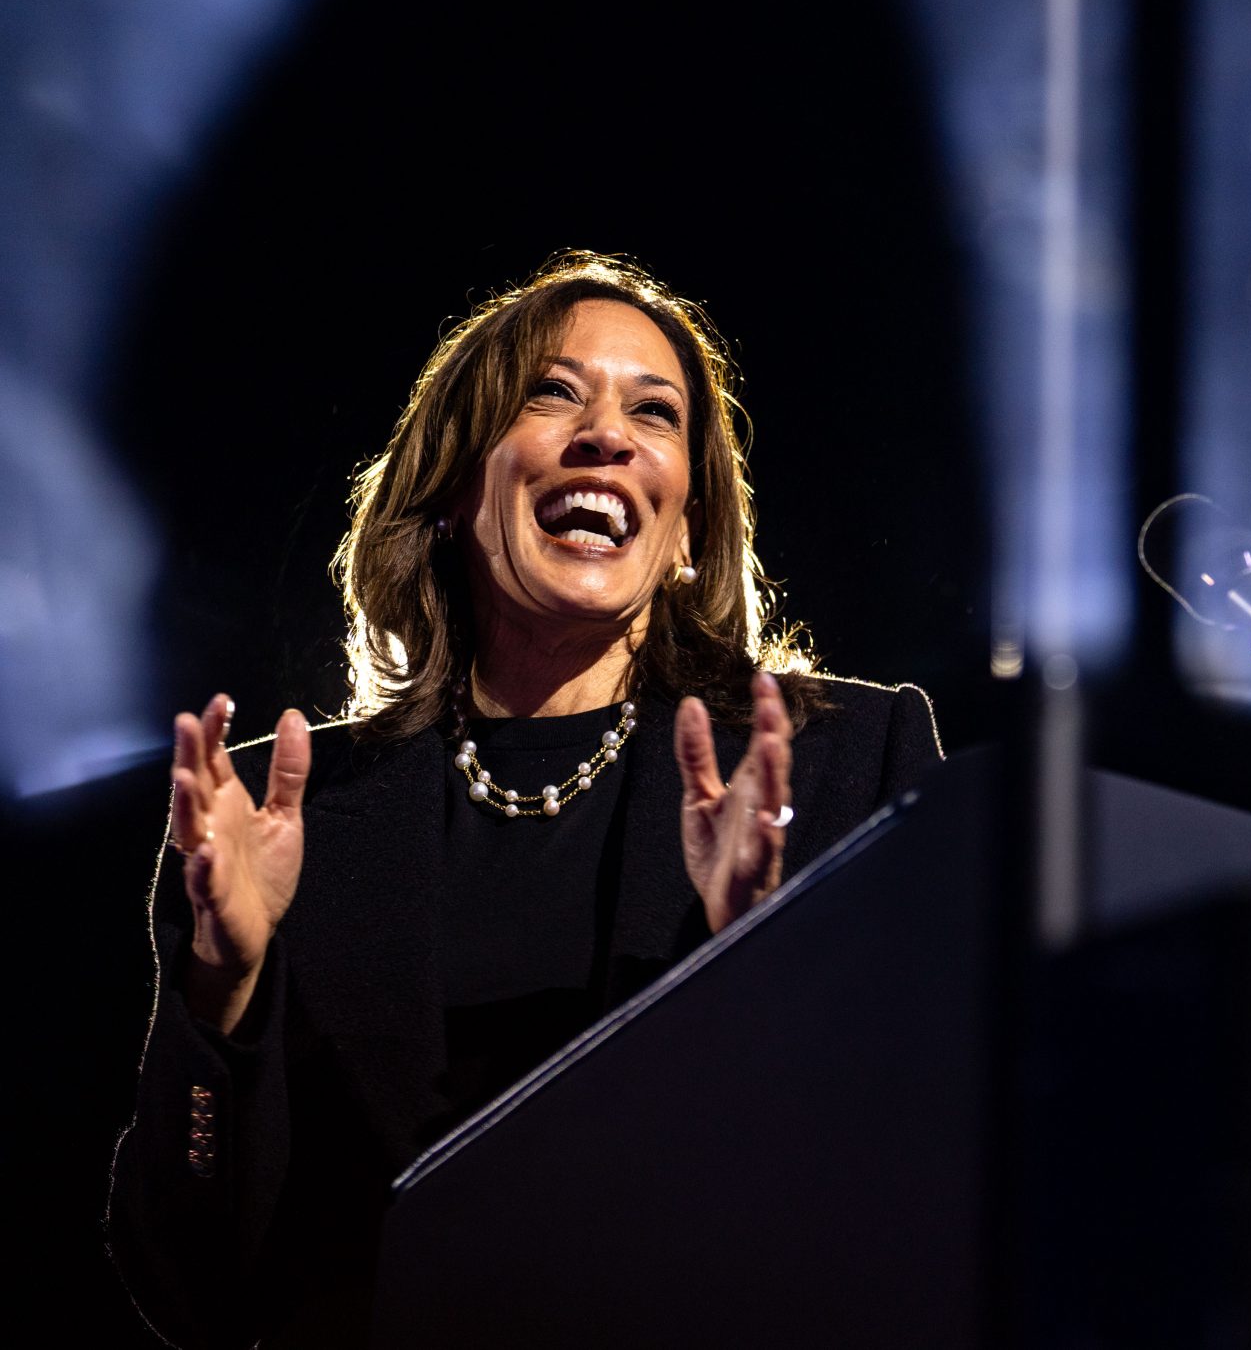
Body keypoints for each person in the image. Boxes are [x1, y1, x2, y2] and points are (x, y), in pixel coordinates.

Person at [106, 254, 943, 1348]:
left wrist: (768, 962)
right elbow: (193, 1293)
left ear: (686, 525)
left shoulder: (845, 764)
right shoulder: (278, 813)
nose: (608, 435)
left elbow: (922, 1191)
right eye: (552, 394)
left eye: (657, 414)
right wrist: (224, 984)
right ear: (456, 487)